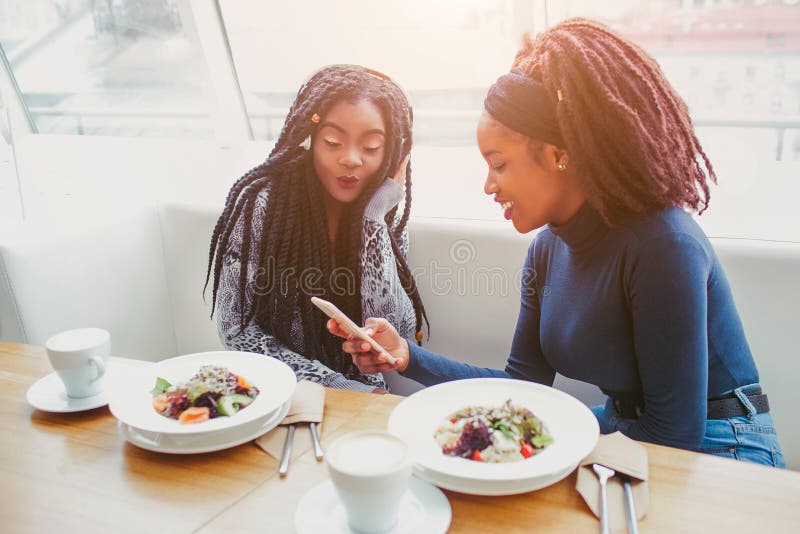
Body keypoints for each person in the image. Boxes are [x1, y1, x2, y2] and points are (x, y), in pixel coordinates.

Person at [328, 20, 784, 467]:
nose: (489, 186)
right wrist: (406, 356)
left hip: (722, 443)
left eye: (499, 163)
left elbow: (674, 433)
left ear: (558, 155)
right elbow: (524, 383)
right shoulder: (546, 250)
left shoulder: (663, 244)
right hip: (630, 430)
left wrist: (543, 444)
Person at [206, 64, 428, 394]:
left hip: (364, 395)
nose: (351, 159)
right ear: (310, 138)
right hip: (280, 392)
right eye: (333, 141)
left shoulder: (385, 211)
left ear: (393, 152)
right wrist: (334, 384)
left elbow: (395, 331)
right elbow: (235, 328)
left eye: (370, 148)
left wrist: (374, 221)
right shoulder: (264, 205)